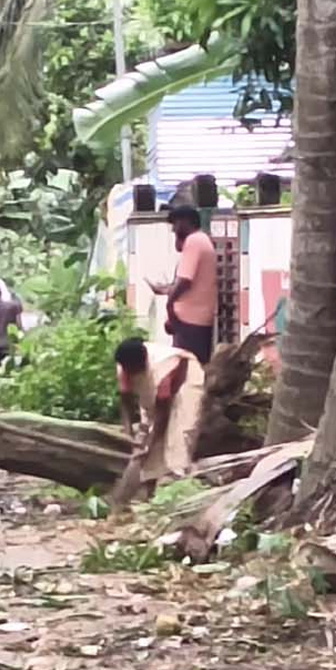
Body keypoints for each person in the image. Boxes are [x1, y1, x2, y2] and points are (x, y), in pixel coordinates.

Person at [111, 337, 205, 503]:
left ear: (142, 364)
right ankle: (150, 487)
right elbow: (126, 399)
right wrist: (129, 431)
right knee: (146, 436)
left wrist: (150, 442)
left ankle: (177, 485)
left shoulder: (163, 369)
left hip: (185, 381)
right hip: (156, 390)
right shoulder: (124, 366)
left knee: (180, 435)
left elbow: (162, 413)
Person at [149, 205, 217, 363]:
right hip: (196, 319)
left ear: (186, 221)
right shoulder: (201, 240)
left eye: (176, 224)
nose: (173, 229)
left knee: (186, 368)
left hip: (189, 321)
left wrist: (170, 307)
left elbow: (185, 281)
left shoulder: (194, 241)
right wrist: (166, 290)